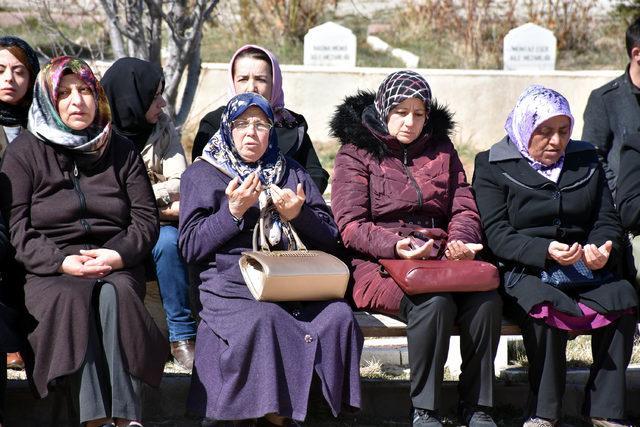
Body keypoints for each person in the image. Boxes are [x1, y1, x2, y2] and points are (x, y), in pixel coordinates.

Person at [0, 56, 168, 427]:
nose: (77, 101)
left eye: (85, 90)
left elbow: (145, 218)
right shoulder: (24, 152)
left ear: (99, 96)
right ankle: (94, 420)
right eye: (64, 92)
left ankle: (126, 417)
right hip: (50, 269)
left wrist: (117, 254)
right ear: (48, 99)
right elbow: (18, 229)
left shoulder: (119, 149)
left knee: (114, 294)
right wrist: (61, 261)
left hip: (114, 261)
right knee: (74, 298)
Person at [330, 70, 502, 427]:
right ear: (383, 109)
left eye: (419, 113)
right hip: (378, 263)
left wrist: (460, 241)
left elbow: (463, 206)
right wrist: (396, 245)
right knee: (433, 304)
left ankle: (477, 406)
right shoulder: (356, 152)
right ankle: (426, 408)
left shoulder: (442, 150)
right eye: (401, 112)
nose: (410, 122)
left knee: (485, 303)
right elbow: (350, 226)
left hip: (439, 259)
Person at [179, 92, 362, 425]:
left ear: (271, 130)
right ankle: (271, 415)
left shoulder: (290, 172)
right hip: (232, 285)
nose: (251, 132)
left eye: (261, 124)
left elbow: (331, 237)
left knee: (337, 316)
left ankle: (317, 413)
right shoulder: (202, 174)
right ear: (227, 128)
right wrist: (231, 212)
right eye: (242, 124)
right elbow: (190, 247)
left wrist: (299, 214)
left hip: (293, 282)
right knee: (267, 319)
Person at [473, 85, 638, 427]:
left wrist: (602, 249)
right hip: (526, 269)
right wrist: (544, 250)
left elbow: (606, 219)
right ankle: (543, 411)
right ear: (523, 127)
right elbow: (497, 232)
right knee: (546, 305)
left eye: (563, 131)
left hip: (584, 266)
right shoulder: (492, 164)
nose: (556, 141)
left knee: (621, 296)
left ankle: (605, 409)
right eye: (544, 132)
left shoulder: (586, 158)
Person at [101, 57, 197, 370]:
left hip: (152, 224)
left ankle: (181, 336)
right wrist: (147, 197)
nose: (162, 102)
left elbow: (181, 182)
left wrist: (140, 197)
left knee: (169, 243)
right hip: (112, 225)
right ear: (132, 97)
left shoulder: (163, 129)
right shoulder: (99, 132)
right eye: (154, 96)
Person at [190, 44, 329, 193]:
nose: (251, 87)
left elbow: (316, 175)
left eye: (261, 79)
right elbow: (200, 178)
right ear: (232, 82)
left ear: (274, 83)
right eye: (243, 79)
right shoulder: (214, 123)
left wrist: (288, 199)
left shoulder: (291, 124)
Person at [0, 36, 39, 373]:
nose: (9, 80)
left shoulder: (43, 124)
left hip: (35, 217)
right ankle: (10, 342)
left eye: (18, 71)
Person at [582, 16, 640, 198]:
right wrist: (622, 196)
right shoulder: (604, 99)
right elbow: (592, 157)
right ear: (637, 53)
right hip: (625, 210)